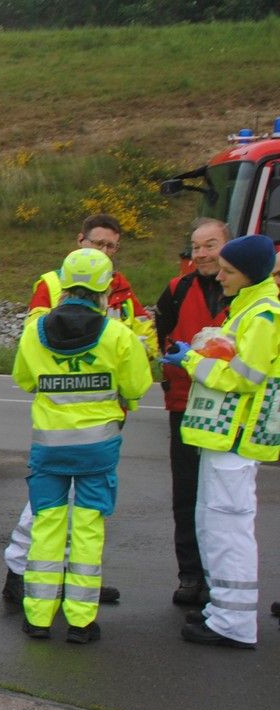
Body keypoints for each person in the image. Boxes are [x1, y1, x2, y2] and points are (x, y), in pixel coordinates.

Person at [0, 212, 143, 604]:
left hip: (104, 415)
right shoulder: (51, 282)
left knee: (86, 516)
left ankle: (77, 583)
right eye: (98, 244)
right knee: (46, 510)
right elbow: (36, 338)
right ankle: (19, 571)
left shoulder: (120, 288)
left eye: (112, 246)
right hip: (67, 411)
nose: (105, 251)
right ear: (81, 241)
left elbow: (140, 334)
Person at [164, 234, 280, 650]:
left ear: (249, 274)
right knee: (214, 525)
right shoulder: (249, 309)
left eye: (229, 271)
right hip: (223, 438)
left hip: (235, 438)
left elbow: (243, 379)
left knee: (229, 530)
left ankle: (233, 621)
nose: (221, 275)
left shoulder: (264, 314)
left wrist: (192, 361)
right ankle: (222, 611)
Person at [153, 217, 230, 606]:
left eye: (210, 245)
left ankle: (220, 575)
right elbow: (163, 338)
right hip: (184, 405)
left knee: (224, 498)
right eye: (197, 246)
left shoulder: (244, 293)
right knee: (186, 494)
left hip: (228, 409)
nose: (201, 254)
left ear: (227, 246)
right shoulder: (176, 290)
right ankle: (190, 574)